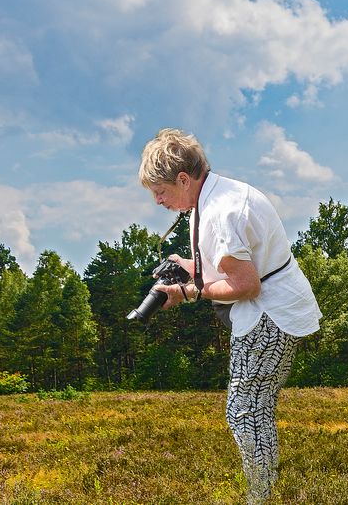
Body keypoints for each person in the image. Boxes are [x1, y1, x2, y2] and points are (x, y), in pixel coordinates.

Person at [138, 128, 321, 504]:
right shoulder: (212, 197)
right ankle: (265, 491)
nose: (157, 200)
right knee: (257, 408)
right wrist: (186, 265)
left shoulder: (221, 212)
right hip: (271, 305)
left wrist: (189, 291)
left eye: (160, 190)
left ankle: (260, 496)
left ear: (183, 179)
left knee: (244, 412)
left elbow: (245, 284)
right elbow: (228, 266)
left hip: (268, 312)